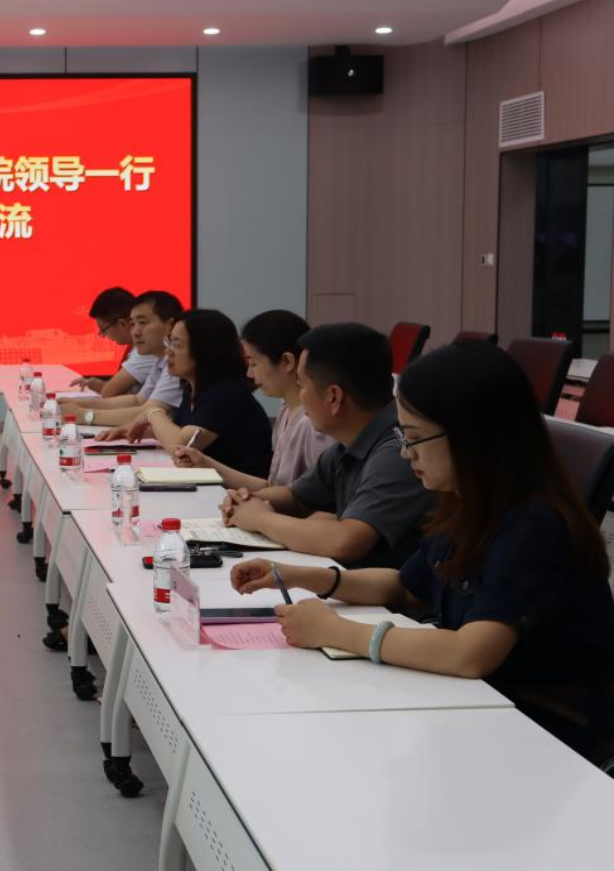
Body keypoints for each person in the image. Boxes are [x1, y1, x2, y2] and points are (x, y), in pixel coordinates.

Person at [231, 341, 614, 758]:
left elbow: (470, 654)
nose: (404, 452)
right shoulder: (465, 503)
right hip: (481, 705)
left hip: (544, 733)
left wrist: (335, 631)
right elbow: (404, 586)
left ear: (473, 438)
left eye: (414, 438)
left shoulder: (533, 525)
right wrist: (303, 576)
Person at [220, 322, 430, 567]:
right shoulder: (351, 439)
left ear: (334, 397)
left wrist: (260, 519)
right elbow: (296, 497)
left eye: (301, 385)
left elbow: (346, 541)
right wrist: (246, 500)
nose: (299, 396)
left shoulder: (398, 449)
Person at [101, 309, 273, 477]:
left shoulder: (226, 393)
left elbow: (180, 446)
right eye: (169, 342)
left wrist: (152, 413)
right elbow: (182, 431)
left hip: (241, 492)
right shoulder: (192, 387)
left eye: (177, 345)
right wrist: (146, 431)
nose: (168, 351)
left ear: (205, 351)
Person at [173, 309, 331, 488]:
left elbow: (310, 500)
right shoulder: (286, 408)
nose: (249, 373)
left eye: (253, 363)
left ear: (287, 362)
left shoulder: (313, 424)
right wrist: (206, 464)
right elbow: (274, 488)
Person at [57, 290, 187, 428]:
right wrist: (73, 403)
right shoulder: (160, 359)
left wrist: (85, 415)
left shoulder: (178, 362)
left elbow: (148, 412)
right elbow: (137, 400)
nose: (135, 332)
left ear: (170, 325)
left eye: (143, 322)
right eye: (133, 324)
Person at [68, 287, 158, 397]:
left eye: (103, 329)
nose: (103, 336)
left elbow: (110, 392)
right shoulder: (136, 347)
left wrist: (98, 386)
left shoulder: (146, 350)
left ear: (122, 324)